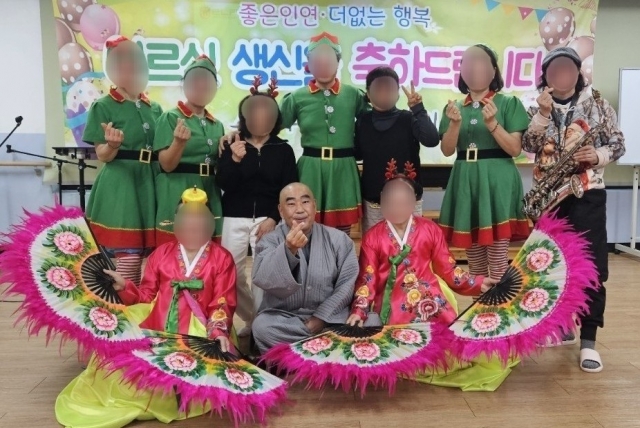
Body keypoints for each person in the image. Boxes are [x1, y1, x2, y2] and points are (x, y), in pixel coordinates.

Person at [55, 187, 238, 427]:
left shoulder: (222, 258)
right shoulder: (161, 254)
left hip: (201, 326)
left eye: (198, 217)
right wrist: (124, 286)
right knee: (123, 362)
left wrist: (218, 330)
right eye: (186, 217)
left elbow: (222, 300)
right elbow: (146, 296)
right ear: (176, 222)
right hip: (158, 321)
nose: (192, 224)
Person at [346, 174, 516, 392]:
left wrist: (478, 283)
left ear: (413, 203)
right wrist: (359, 310)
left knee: (450, 344)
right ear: (382, 202)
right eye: (391, 202)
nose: (397, 208)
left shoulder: (430, 229)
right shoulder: (373, 236)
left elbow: (449, 269)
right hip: (393, 300)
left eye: (402, 202)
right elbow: (367, 278)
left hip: (431, 296)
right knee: (403, 348)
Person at [522, 47, 625, 373]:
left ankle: (589, 341)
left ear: (578, 72)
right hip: (548, 198)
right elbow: (528, 145)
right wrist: (542, 114)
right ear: (546, 76)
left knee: (592, 268)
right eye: (554, 70)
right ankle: (563, 326)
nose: (561, 74)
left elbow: (618, 144)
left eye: (568, 68)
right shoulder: (536, 106)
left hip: (587, 193)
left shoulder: (598, 104)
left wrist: (597, 156)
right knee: (552, 266)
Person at [220, 32, 369, 236]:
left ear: (338, 62)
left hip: (343, 169)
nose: (323, 64)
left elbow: (371, 123)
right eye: (317, 60)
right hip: (310, 168)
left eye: (328, 59)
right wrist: (237, 132)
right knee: (305, 223)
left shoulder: (353, 95)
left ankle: (340, 257)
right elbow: (270, 124)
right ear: (309, 64)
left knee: (341, 228)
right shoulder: (297, 97)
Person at [438, 43, 531, 282]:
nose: (473, 67)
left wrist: (492, 124)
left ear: (493, 71)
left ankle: (499, 304)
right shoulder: (453, 108)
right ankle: (479, 305)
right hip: (465, 181)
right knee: (475, 263)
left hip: (497, 182)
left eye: (480, 61)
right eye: (467, 62)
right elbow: (447, 150)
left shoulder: (509, 103)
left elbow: (514, 149)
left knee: (498, 261)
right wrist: (455, 125)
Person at [217, 77, 299, 337]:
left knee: (264, 274)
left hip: (268, 218)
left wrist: (273, 218)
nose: (260, 119)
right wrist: (234, 159)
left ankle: (260, 325)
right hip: (234, 215)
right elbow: (223, 183)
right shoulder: (232, 143)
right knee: (231, 272)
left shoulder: (283, 150)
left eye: (267, 114)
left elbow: (288, 190)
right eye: (254, 113)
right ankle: (250, 316)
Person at [82, 35, 163, 285]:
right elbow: (103, 155)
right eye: (122, 61)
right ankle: (124, 303)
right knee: (128, 251)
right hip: (121, 184)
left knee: (150, 254)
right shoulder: (103, 106)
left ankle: (136, 301)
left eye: (135, 60)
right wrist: (113, 145)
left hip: (150, 181)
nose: (130, 65)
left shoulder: (154, 108)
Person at [250, 182, 358, 354]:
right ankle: (324, 349)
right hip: (286, 319)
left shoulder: (339, 240)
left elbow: (347, 284)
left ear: (314, 206)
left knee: (368, 322)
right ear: (281, 211)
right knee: (262, 327)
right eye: (291, 203)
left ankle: (299, 352)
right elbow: (263, 278)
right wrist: (288, 250)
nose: (299, 209)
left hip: (330, 319)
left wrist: (321, 318)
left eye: (305, 202)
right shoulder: (269, 241)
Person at [355, 66, 440, 233]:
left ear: (398, 93)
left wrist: (418, 109)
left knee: (411, 246)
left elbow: (431, 140)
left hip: (408, 199)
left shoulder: (408, 118)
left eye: (390, 88)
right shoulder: (363, 121)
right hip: (373, 201)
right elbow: (357, 153)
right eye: (379, 88)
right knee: (375, 246)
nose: (384, 93)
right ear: (368, 94)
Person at [153, 54, 225, 245]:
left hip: (210, 189)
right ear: (184, 84)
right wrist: (178, 142)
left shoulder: (217, 125)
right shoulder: (170, 118)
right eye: (195, 80)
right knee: (176, 246)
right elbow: (166, 165)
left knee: (208, 249)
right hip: (177, 188)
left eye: (207, 81)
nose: (201, 85)